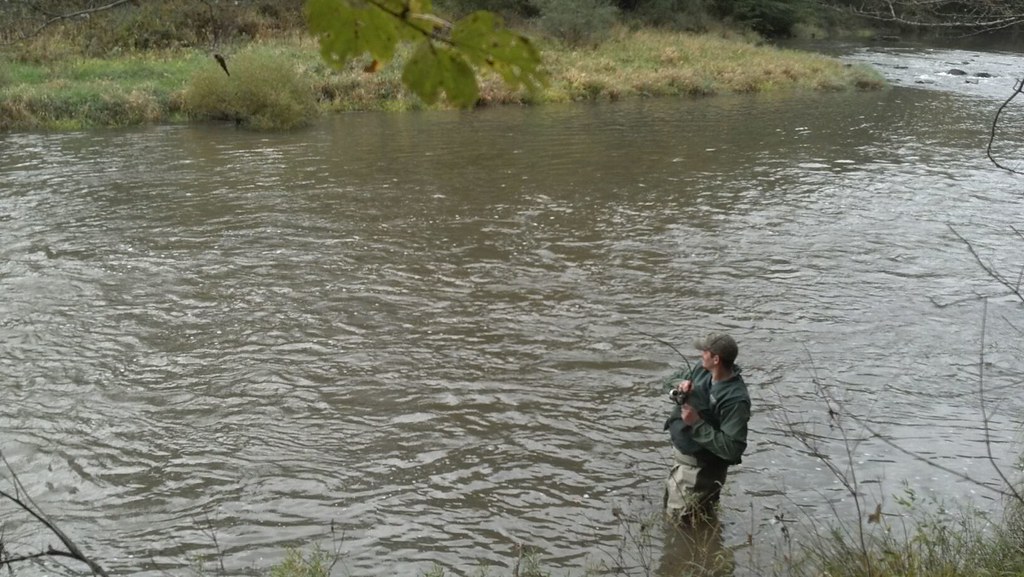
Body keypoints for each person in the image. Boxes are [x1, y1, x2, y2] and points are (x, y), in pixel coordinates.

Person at [663, 333, 751, 522]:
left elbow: (733, 449)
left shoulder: (735, 400)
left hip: (699, 473)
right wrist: (679, 386)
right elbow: (669, 380)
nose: (700, 354)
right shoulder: (701, 370)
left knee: (682, 527)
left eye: (704, 351)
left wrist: (696, 423)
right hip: (681, 465)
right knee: (682, 521)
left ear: (716, 359)